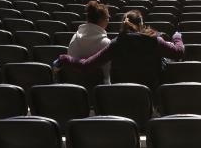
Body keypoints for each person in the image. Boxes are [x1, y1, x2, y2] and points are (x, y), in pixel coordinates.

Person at [52, 10, 184, 92]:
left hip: (122, 93)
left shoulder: (115, 44)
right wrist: (177, 37)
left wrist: (65, 58)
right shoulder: (155, 41)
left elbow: (86, 65)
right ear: (141, 24)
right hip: (152, 91)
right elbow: (179, 52)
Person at [66, 0, 113, 87]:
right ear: (101, 20)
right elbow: (107, 78)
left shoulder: (74, 38)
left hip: (74, 90)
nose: (108, 21)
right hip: (97, 93)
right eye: (107, 18)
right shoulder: (106, 43)